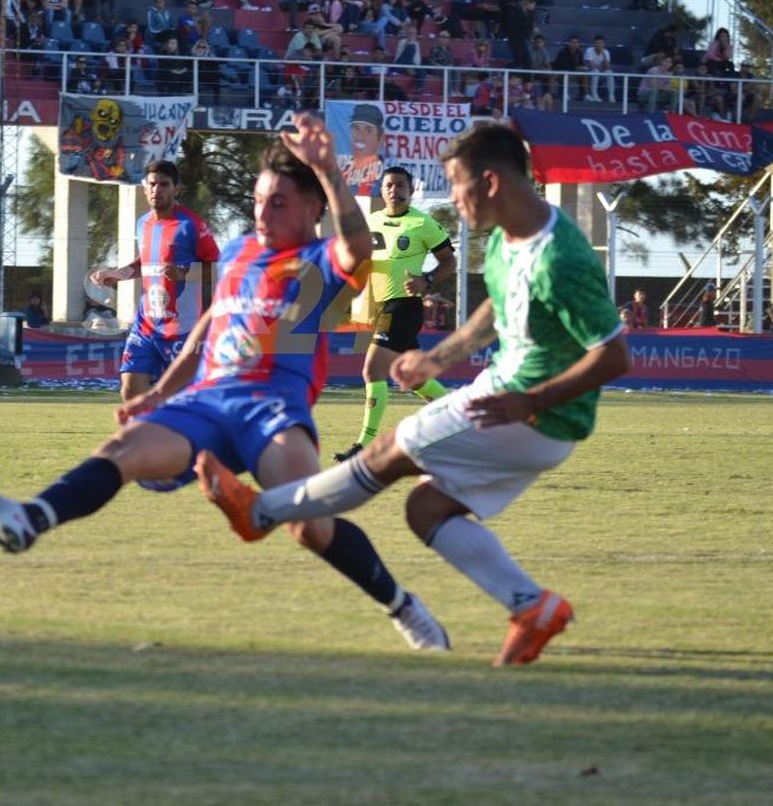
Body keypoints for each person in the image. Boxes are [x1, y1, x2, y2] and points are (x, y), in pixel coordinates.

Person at [0, 116, 450, 651]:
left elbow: (355, 243)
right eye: (259, 199)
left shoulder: (318, 258)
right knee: (124, 449)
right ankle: (27, 519)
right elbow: (205, 332)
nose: (262, 211)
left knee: (309, 524)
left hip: (273, 410)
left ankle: (405, 609)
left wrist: (328, 168)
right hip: (208, 402)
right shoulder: (239, 253)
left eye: (278, 202)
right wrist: (161, 392)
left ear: (312, 210)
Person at [198, 121, 630, 667]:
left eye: (456, 184)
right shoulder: (506, 236)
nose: (451, 199)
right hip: (515, 404)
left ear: (491, 182)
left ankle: (261, 510)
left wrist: (531, 400)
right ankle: (532, 607)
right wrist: (439, 357)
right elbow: (495, 309)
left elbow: (615, 354)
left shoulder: (560, 257)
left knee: (388, 452)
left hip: (526, 413)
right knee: (426, 509)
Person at [336, 166, 457, 460]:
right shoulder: (372, 222)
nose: (395, 190)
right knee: (412, 377)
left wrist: (426, 280)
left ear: (410, 190)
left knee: (372, 370)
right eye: (389, 185)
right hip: (382, 306)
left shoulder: (422, 223)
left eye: (400, 185)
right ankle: (461, 418)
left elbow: (449, 262)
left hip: (404, 305)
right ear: (382, 190)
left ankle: (364, 446)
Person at [88, 161, 220, 407]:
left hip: (182, 329)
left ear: (176, 189)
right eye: (152, 184)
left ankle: (179, 441)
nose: (156, 190)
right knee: (130, 391)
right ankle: (142, 442)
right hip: (146, 324)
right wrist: (117, 274)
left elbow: (218, 268)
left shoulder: (191, 225)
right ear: (144, 187)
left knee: (183, 402)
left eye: (164, 184)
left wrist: (186, 274)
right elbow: (144, 264)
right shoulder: (143, 224)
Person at [340, 104, 385, 195]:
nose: (360, 137)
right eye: (356, 129)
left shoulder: (385, 174)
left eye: (368, 131)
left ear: (380, 137)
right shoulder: (343, 171)